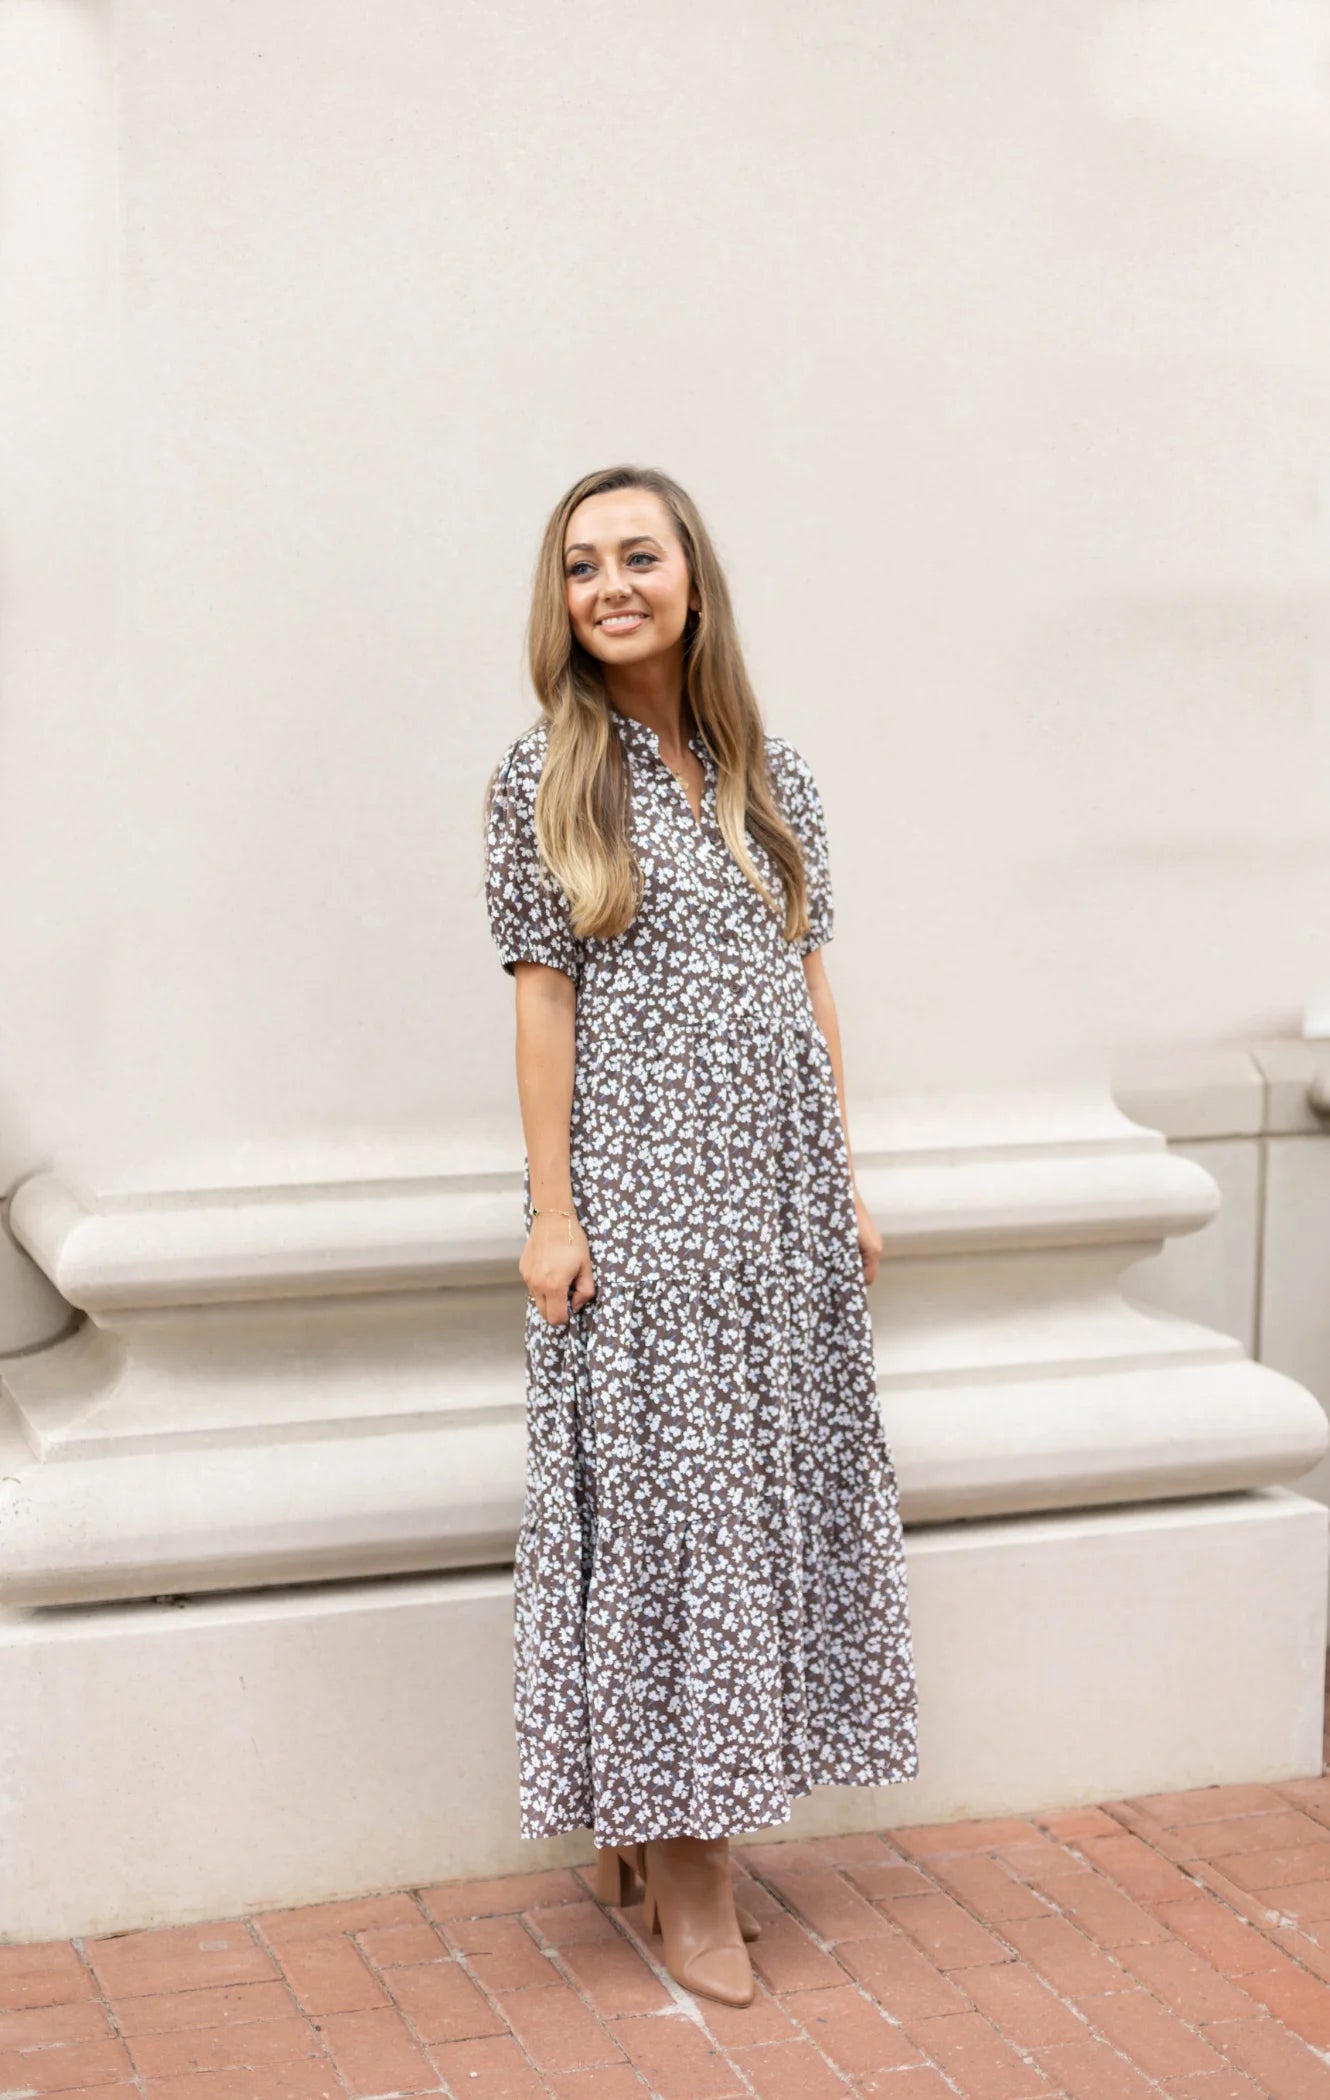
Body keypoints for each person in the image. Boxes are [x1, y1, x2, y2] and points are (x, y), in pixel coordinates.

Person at [482, 464, 919, 2008]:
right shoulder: (546, 780)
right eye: (582, 564)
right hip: (645, 1217)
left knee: (761, 1512)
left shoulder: (768, 772)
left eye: (637, 556)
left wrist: (842, 1180)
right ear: (563, 600)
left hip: (778, 1209)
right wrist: (552, 1210)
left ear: (688, 577)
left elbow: (807, 991)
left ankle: (655, 1817)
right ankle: (690, 1868)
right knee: (682, 1532)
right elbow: (543, 1003)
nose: (610, 584)